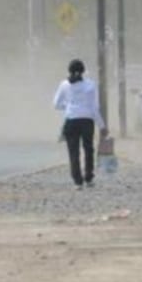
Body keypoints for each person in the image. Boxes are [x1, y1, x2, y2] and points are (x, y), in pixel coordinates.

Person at [52, 59, 108, 189]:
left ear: (69, 70)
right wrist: (102, 126)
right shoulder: (90, 84)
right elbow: (94, 108)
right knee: (88, 149)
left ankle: (78, 182)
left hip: (71, 120)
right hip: (87, 121)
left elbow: (56, 104)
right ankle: (89, 178)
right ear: (83, 71)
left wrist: (69, 106)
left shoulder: (64, 84)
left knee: (73, 151)